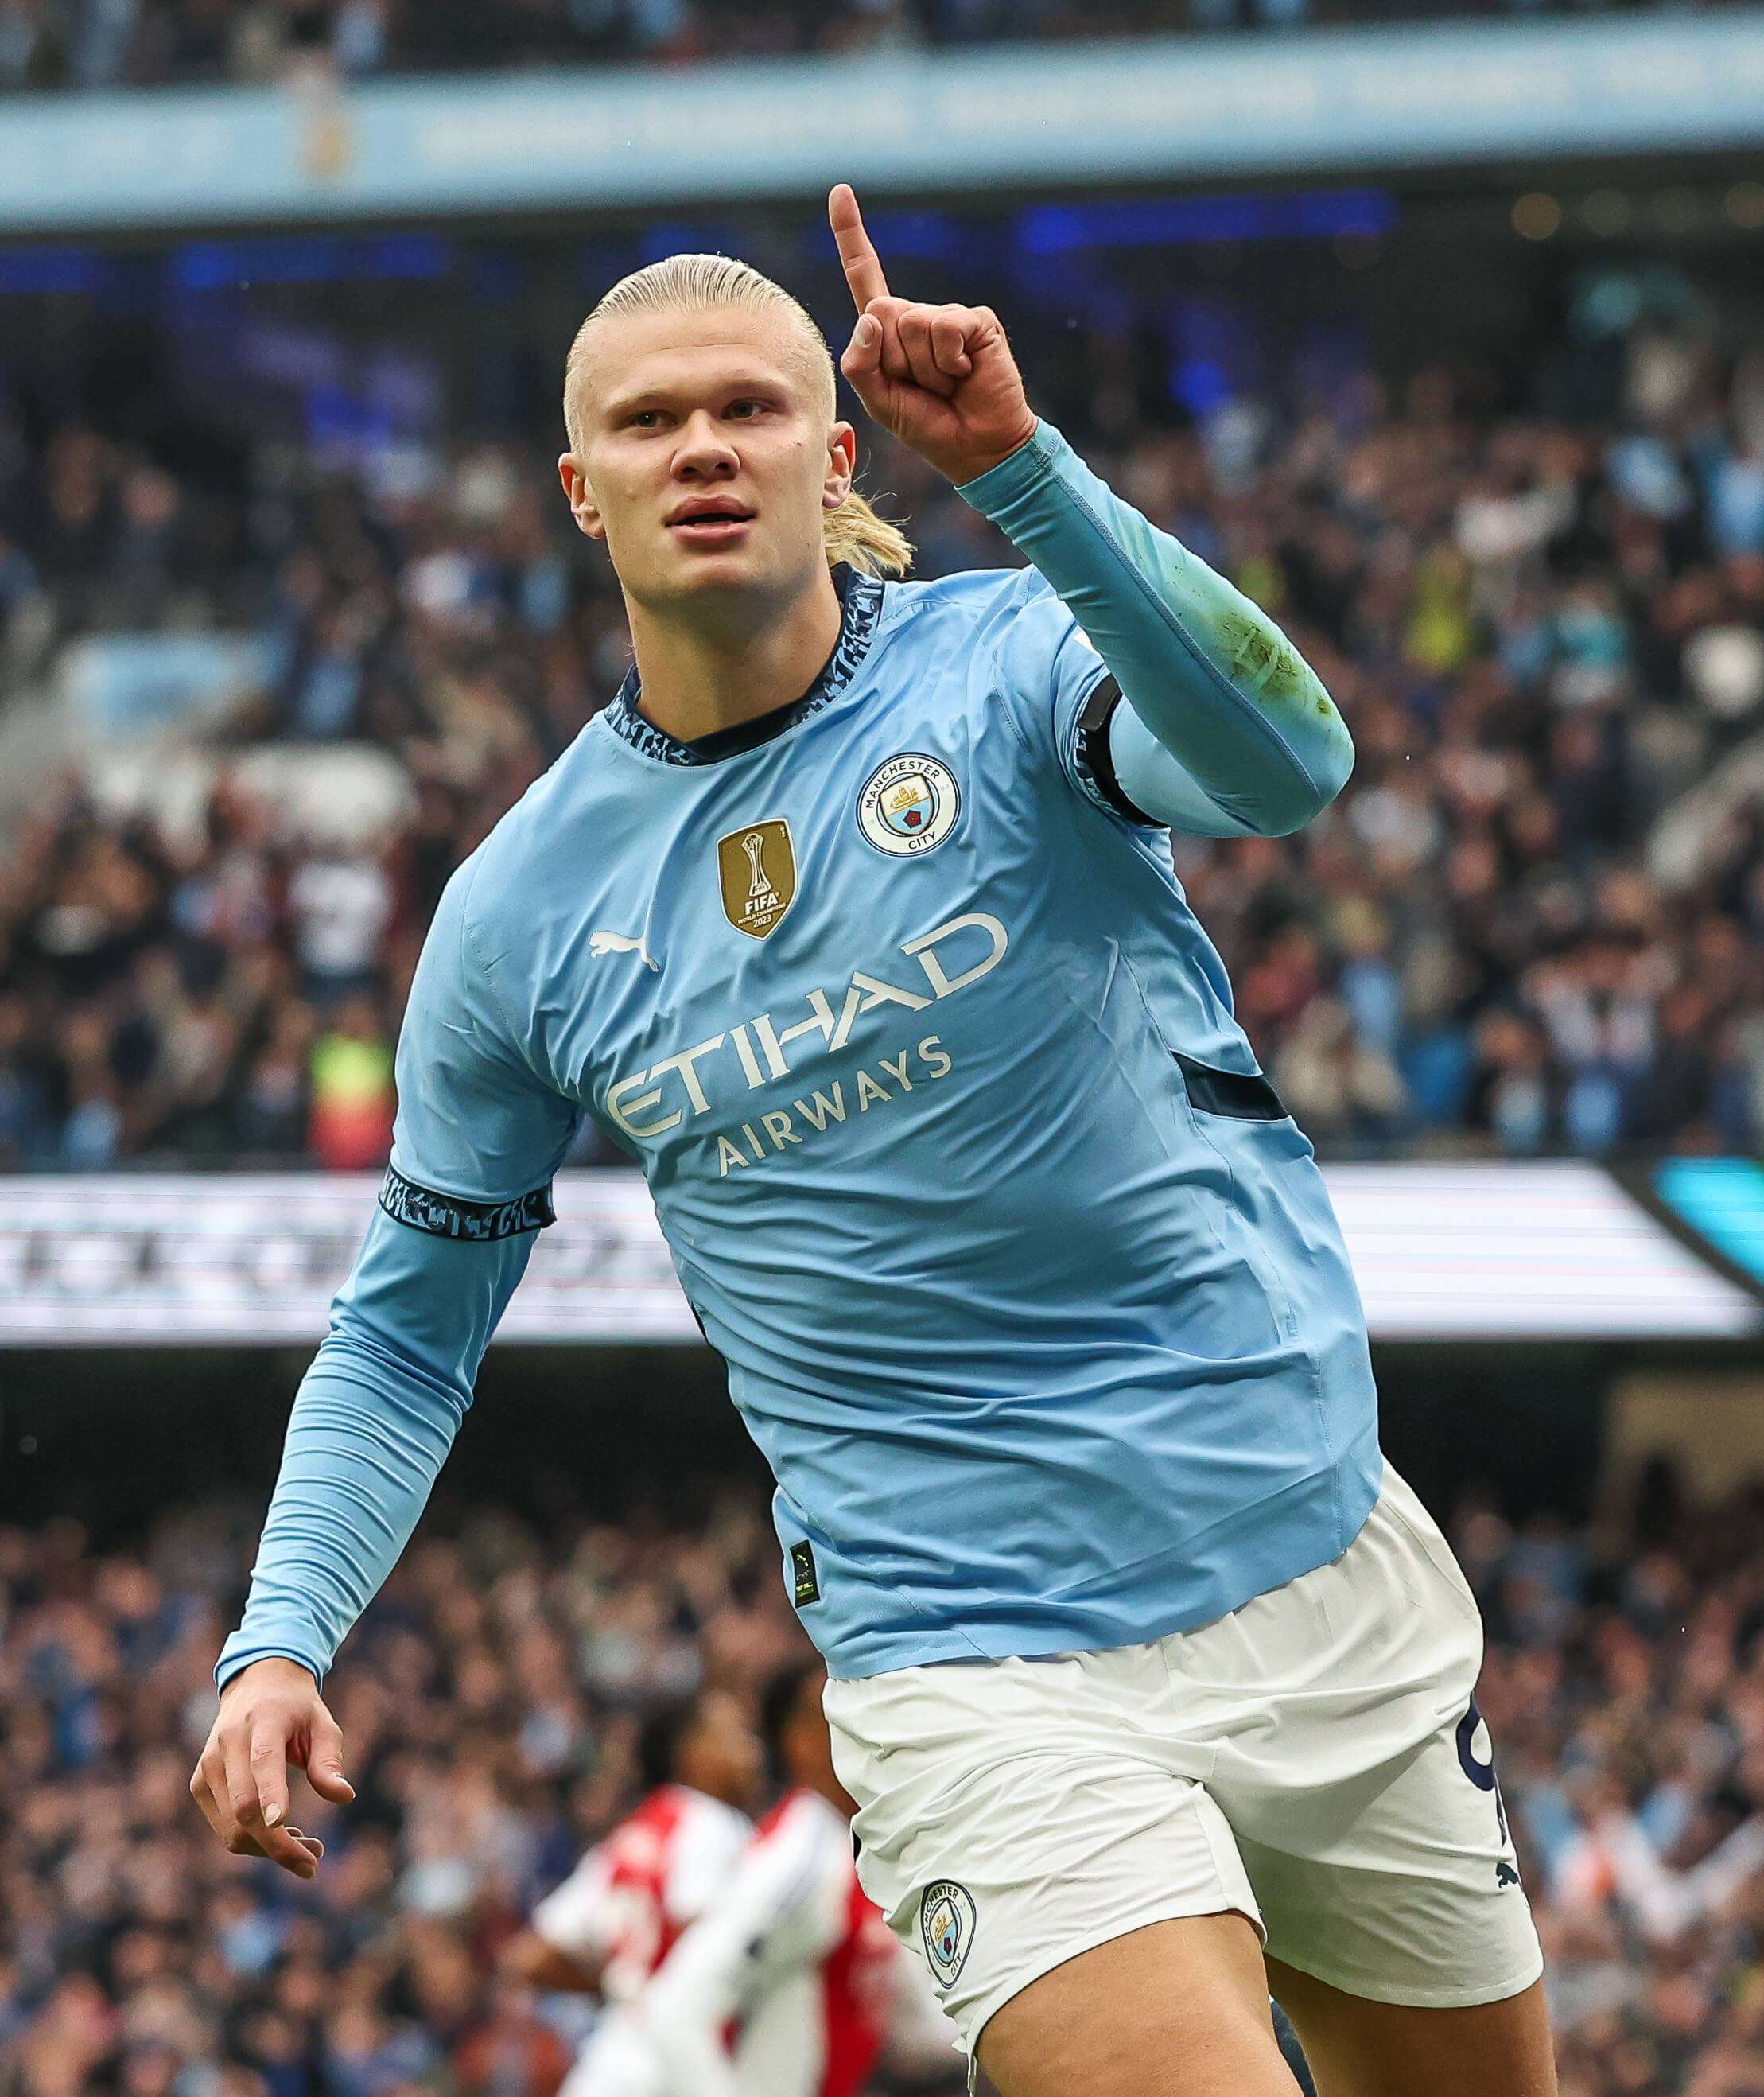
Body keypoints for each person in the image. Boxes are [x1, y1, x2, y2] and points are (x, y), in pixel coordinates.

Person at [192, 181, 1554, 2097]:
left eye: (743, 407)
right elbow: (410, 1322)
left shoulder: (1011, 661)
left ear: (830, 449)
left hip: (1317, 1563)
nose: (699, 449)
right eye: (646, 423)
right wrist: (277, 1635)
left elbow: (1288, 765)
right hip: (976, 1670)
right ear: (578, 491)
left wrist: (1023, 468)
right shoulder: (518, 912)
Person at [620, 1659, 957, 2097]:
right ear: (801, 1742)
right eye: (850, 1705)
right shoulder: (798, 1863)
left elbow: (919, 2031)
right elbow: (672, 2013)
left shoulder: (857, 1849)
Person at [505, 1687, 765, 2095]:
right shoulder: (716, 1826)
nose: (754, 1751)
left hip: (610, 2060)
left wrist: (623, 1984)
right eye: (736, 1735)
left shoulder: (633, 1834)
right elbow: (697, 1928)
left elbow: (532, 1956)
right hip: (671, 2068)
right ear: (692, 1751)